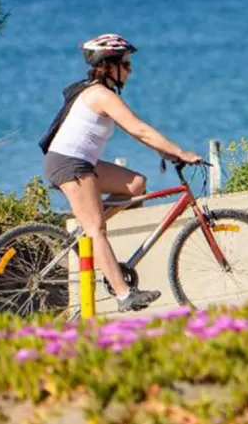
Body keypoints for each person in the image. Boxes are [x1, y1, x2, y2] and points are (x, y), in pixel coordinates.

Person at [41, 33, 204, 312]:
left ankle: (88, 230)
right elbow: (138, 129)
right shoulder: (100, 95)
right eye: (126, 64)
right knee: (97, 228)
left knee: (136, 184)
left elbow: (139, 134)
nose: (130, 70)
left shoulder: (98, 92)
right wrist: (181, 152)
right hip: (69, 164)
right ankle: (123, 294)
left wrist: (163, 152)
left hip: (81, 162)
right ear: (108, 66)